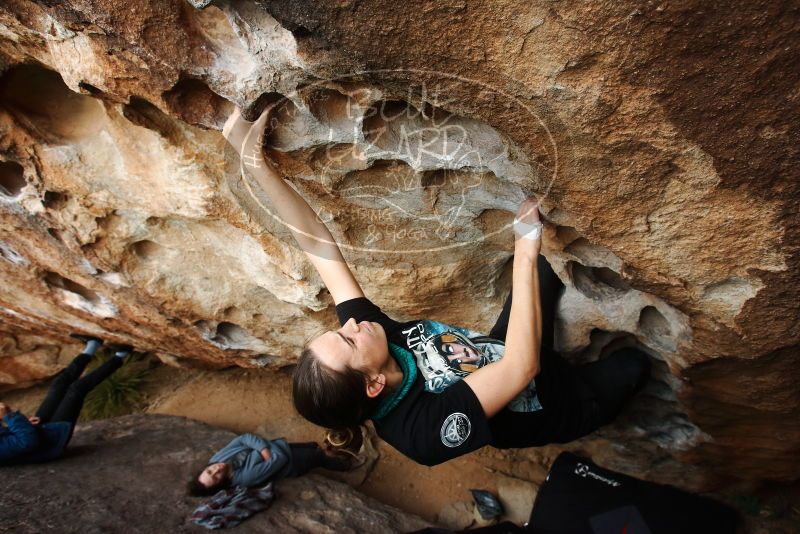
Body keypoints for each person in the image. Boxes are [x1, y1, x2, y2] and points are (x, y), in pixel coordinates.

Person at [222, 106, 651, 467]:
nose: (352, 325)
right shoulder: (422, 433)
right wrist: (523, 243)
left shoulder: (372, 340)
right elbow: (521, 370)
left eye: (339, 330)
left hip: (500, 349)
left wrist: (254, 165)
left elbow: (315, 242)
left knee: (553, 263)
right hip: (558, 403)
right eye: (348, 341)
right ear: (373, 385)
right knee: (632, 366)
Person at [0, 335, 132, 465]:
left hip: (38, 431)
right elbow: (27, 442)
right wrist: (9, 416)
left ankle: (92, 346)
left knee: (59, 385)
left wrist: (24, 424)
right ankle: (121, 355)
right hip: (51, 441)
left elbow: (7, 435)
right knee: (76, 390)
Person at [187, 433, 358, 496]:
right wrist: (262, 447)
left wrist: (262, 448)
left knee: (312, 445)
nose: (216, 469)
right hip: (292, 462)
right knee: (318, 457)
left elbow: (243, 438)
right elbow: (280, 459)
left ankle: (332, 450)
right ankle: (347, 465)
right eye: (215, 477)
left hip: (280, 446)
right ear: (221, 483)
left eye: (209, 471)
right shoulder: (245, 478)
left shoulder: (217, 459)